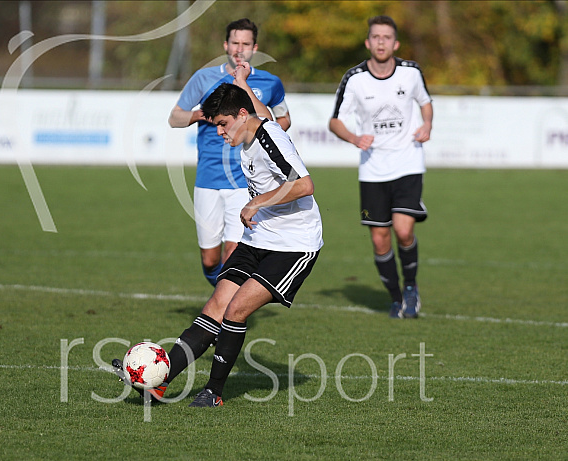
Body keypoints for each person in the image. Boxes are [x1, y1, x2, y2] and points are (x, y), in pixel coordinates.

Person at [116, 83, 322, 407]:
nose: (220, 132)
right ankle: (158, 381)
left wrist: (257, 203)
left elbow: (304, 185)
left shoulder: (270, 140)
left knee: (236, 310)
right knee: (215, 307)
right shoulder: (252, 129)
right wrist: (240, 84)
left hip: (293, 245)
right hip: (259, 238)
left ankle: (214, 392)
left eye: (223, 124)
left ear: (240, 116)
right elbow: (256, 112)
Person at [169, 18, 291, 287]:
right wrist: (206, 113)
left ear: (254, 47)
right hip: (209, 178)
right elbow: (174, 118)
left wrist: (261, 134)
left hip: (245, 180)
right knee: (211, 260)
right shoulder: (204, 78)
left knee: (233, 255)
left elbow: (283, 120)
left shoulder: (269, 82)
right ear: (225, 45)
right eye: (235, 42)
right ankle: (224, 300)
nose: (239, 49)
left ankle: (225, 314)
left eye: (245, 44)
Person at [329, 15, 433, 319]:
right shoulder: (354, 78)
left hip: (408, 161)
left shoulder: (411, 72)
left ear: (395, 43)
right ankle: (395, 296)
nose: (381, 42)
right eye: (375, 37)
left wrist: (427, 124)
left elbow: (425, 102)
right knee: (378, 238)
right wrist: (353, 137)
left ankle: (411, 288)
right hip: (373, 169)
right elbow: (334, 121)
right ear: (367, 42)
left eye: (387, 37)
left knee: (403, 230)